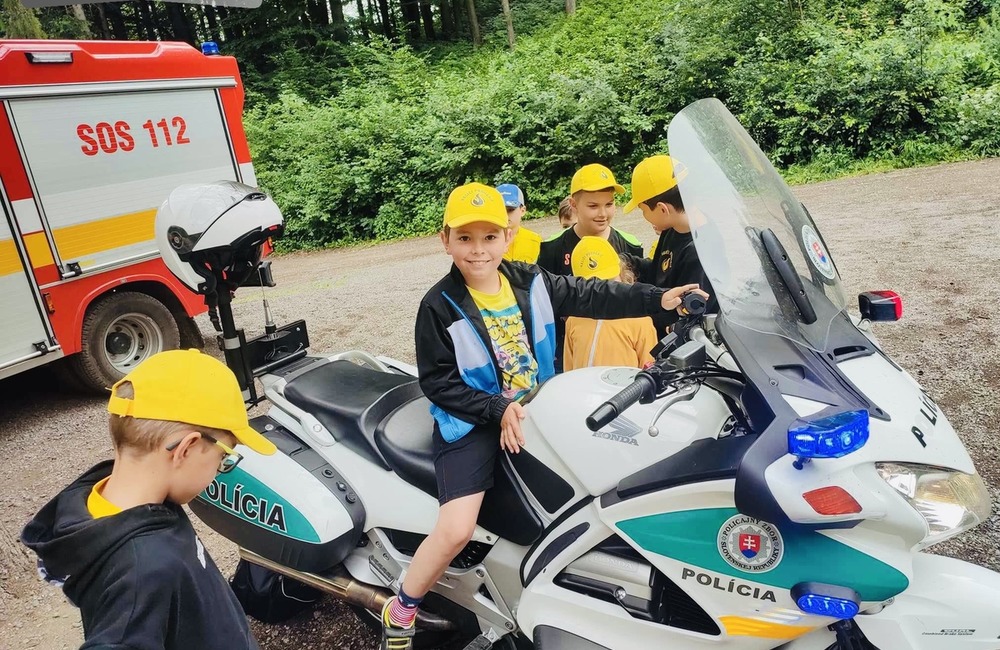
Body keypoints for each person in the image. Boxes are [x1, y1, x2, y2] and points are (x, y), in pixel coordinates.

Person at [380, 182, 705, 649]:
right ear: (445, 240)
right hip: (471, 421)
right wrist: (495, 407)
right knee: (456, 528)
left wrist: (660, 299)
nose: (478, 250)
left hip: (538, 408)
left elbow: (593, 295)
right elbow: (438, 382)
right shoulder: (437, 305)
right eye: (466, 238)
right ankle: (404, 606)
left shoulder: (530, 281)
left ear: (507, 237)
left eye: (489, 237)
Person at [21, 349, 277, 650]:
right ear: (186, 449)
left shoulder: (124, 499)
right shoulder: (143, 568)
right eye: (223, 458)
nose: (219, 472)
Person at [623, 155, 717, 336]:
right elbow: (658, 271)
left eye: (642, 210)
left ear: (662, 209)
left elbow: (689, 314)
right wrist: (627, 262)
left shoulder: (700, 250)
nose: (644, 216)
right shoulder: (673, 230)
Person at [564, 237, 658, 371]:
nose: (603, 290)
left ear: (622, 272)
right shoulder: (574, 318)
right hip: (583, 390)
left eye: (610, 280)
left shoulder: (640, 320)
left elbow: (649, 370)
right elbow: (569, 370)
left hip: (624, 391)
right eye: (592, 285)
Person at [536, 163, 643, 276]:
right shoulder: (552, 249)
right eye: (593, 206)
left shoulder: (630, 245)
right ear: (574, 205)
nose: (603, 214)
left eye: (609, 204)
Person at [497, 183, 542, 264]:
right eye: (500, 210)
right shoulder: (485, 243)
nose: (505, 215)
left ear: (523, 210)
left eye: (510, 210)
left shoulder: (535, 241)